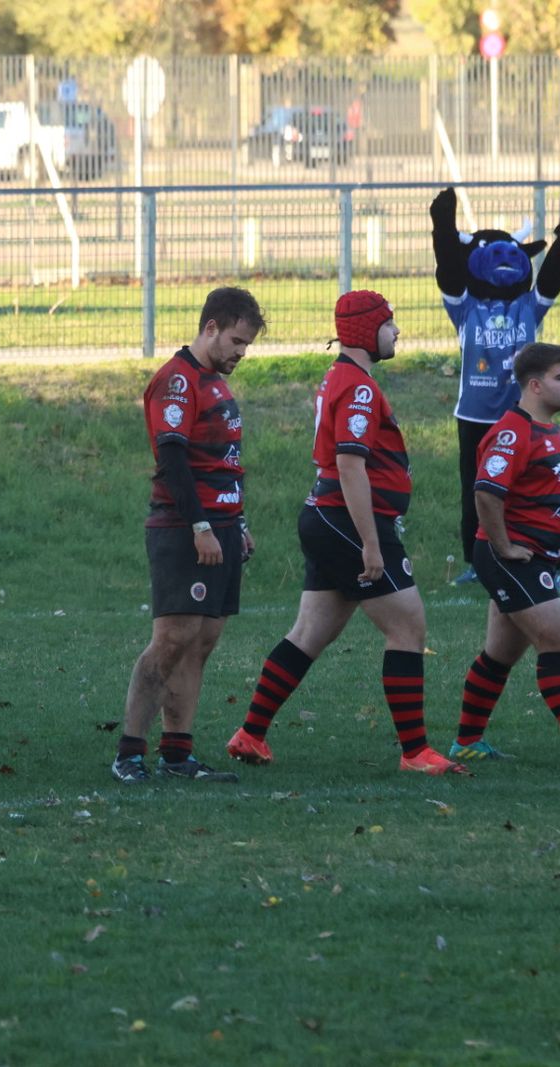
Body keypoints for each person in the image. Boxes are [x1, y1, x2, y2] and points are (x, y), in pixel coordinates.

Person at [225, 291, 467, 776]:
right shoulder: (358, 387)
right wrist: (371, 543)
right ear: (365, 330)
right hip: (348, 522)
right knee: (407, 627)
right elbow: (350, 465)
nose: (397, 332)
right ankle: (416, 752)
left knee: (309, 633)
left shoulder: (343, 377)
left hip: (328, 519)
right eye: (389, 323)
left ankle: (251, 733)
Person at [111, 287, 265, 785]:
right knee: (172, 639)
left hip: (221, 529)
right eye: (237, 341)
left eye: (247, 345)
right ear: (211, 328)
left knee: (201, 641)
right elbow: (173, 461)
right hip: (184, 528)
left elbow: (222, 462)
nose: (241, 352)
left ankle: (177, 755)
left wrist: (237, 524)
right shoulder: (176, 381)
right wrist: (201, 526)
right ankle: (129, 754)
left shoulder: (215, 382)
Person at [448, 343, 560, 764]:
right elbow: (485, 493)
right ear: (534, 385)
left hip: (534, 558)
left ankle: (467, 743)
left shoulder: (551, 430)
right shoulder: (514, 433)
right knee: (555, 639)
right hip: (513, 559)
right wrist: (503, 546)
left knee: (500, 654)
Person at [429, 188, 560, 586]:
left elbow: (552, 277)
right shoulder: (466, 308)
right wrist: (443, 228)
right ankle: (477, 562)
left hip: (524, 416)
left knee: (540, 490)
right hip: (475, 417)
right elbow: (448, 271)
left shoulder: (528, 308)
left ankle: (550, 563)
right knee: (477, 491)